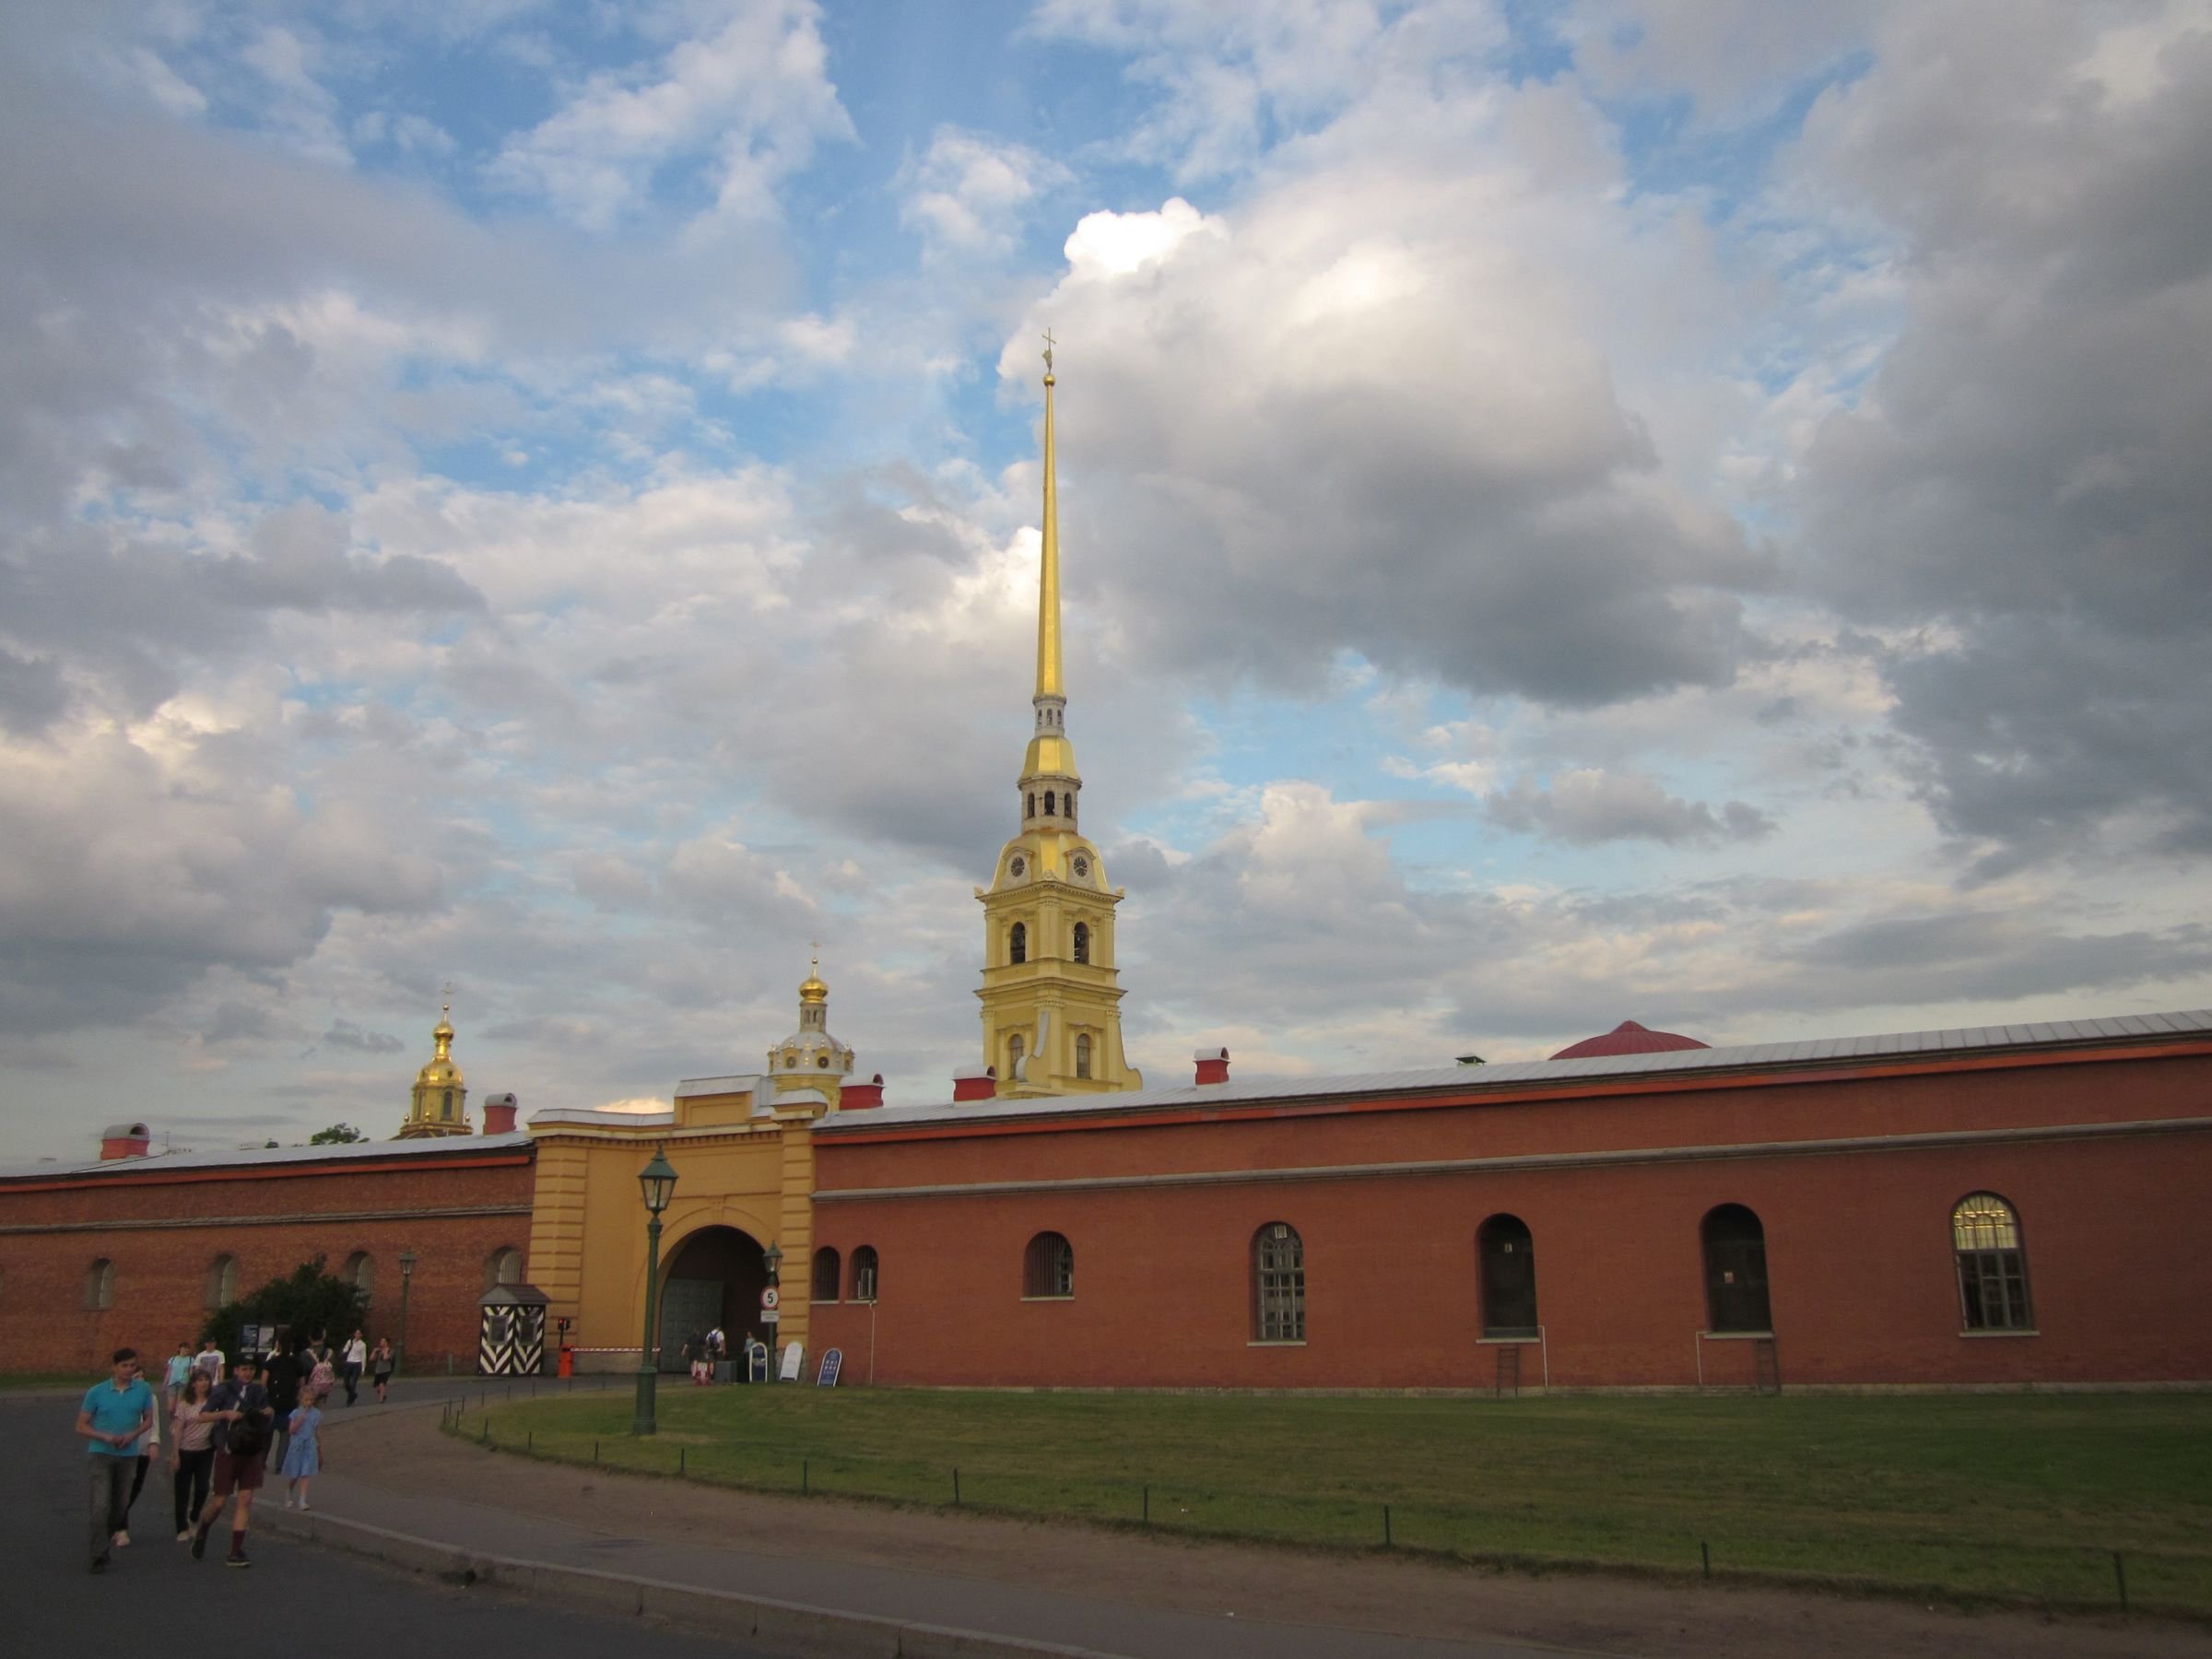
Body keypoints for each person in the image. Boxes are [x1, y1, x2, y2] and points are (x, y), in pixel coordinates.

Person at [76, 1347, 154, 1572]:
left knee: (120, 1506)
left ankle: (104, 1543)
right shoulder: (97, 1392)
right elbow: (81, 1425)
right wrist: (104, 1436)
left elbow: (148, 1420)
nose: (129, 1370)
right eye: (124, 1366)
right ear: (114, 1367)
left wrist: (133, 1435)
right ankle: (97, 1555)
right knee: (101, 1505)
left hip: (128, 1455)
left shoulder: (143, 1389)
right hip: (101, 1453)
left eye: (132, 1366)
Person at [193, 1354, 272, 1569]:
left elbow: (266, 1414)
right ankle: (204, 1528)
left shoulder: (259, 1391)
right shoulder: (224, 1390)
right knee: (220, 1501)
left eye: (251, 1369)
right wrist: (225, 1414)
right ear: (235, 1370)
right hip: (229, 1450)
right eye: (244, 1368)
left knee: (245, 1499)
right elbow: (202, 1415)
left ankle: (235, 1551)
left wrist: (267, 1412)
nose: (248, 1373)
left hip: (251, 1450)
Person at [170, 1371, 218, 1542]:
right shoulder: (185, 1404)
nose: (204, 1383)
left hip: (205, 1451)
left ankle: (194, 1516)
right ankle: (181, 1527)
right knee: (182, 1490)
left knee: (203, 1487)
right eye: (200, 1380)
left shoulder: (213, 1402)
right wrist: (175, 1454)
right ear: (193, 1384)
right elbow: (178, 1429)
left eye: (206, 1380)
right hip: (186, 1450)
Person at [262, 1338, 302, 1472]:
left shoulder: (271, 1362)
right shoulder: (296, 1363)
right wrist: (297, 1397)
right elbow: (301, 1382)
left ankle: (262, 1461)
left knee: (266, 1434)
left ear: (278, 1346)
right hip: (289, 1403)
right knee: (285, 1435)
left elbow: (263, 1382)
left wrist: (264, 1398)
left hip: (271, 1402)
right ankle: (280, 1464)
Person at [280, 1386, 324, 1509]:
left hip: (310, 1444)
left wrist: (320, 1448)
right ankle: (289, 1492)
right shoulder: (295, 1413)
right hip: (297, 1445)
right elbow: (291, 1431)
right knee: (295, 1473)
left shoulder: (317, 1414)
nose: (309, 1403)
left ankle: (302, 1500)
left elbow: (317, 1431)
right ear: (300, 1399)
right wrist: (299, 1420)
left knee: (306, 1472)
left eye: (311, 1400)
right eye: (306, 1400)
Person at [340, 1327, 367, 1406]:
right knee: (346, 1383)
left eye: (359, 1333)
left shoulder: (363, 1345)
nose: (357, 1335)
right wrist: (344, 1352)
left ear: (361, 1335)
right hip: (349, 1362)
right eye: (356, 1333)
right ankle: (353, 1394)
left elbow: (363, 1357)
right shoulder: (350, 1341)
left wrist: (363, 1369)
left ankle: (349, 1400)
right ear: (354, 1334)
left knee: (353, 1382)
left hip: (357, 1363)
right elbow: (345, 1350)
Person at [162, 1342, 194, 1408]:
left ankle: (177, 1418)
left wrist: (191, 1383)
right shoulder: (173, 1359)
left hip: (183, 1383)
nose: (186, 1350)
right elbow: (169, 1372)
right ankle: (172, 1417)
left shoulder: (190, 1360)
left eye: (188, 1348)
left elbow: (191, 1372)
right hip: (172, 1383)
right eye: (184, 1348)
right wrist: (165, 1383)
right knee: (170, 1407)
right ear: (180, 1349)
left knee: (178, 1406)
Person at [370, 1336, 394, 1403]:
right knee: (377, 1387)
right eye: (380, 1341)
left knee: (382, 1384)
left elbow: (385, 1358)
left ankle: (381, 1400)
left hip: (386, 1370)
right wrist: (374, 1351)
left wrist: (386, 1351)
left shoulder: (390, 1351)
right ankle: (383, 1395)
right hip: (378, 1370)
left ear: (386, 1343)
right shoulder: (378, 1351)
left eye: (382, 1341)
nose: (381, 1343)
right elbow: (371, 1359)